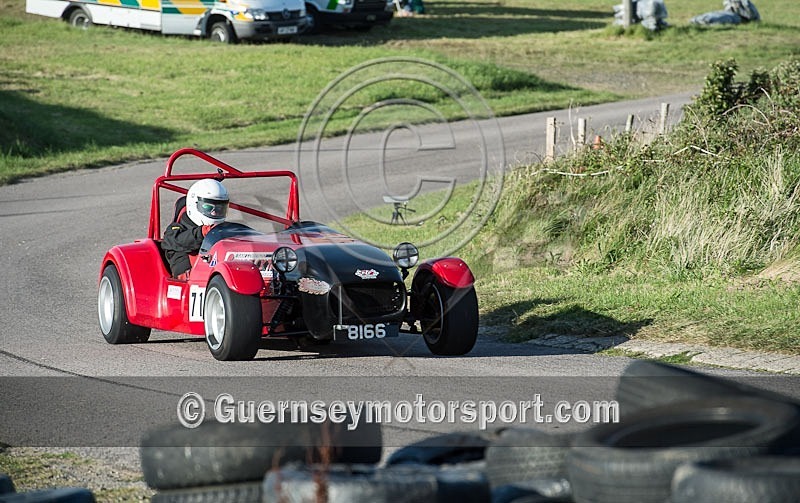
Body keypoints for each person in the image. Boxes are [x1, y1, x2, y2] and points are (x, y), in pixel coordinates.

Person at [162, 179, 229, 279]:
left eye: (219, 209)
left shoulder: (221, 229)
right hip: (188, 283)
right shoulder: (176, 230)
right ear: (193, 204)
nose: (214, 213)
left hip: (218, 275)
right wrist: (202, 233)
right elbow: (178, 240)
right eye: (208, 208)